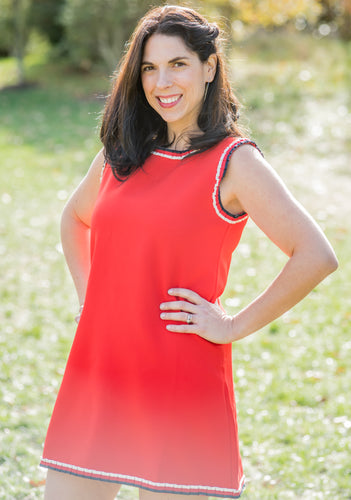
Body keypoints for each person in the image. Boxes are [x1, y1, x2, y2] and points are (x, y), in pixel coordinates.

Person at [40, 5, 338, 500]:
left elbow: (315, 254)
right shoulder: (123, 151)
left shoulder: (234, 162)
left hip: (181, 381)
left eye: (178, 64)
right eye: (150, 68)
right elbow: (74, 218)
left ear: (209, 67)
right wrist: (90, 301)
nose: (162, 82)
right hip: (100, 371)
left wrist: (232, 325)